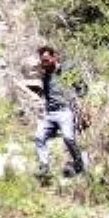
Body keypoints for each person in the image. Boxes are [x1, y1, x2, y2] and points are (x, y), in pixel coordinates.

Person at [33, 45, 86, 180]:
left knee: (68, 138)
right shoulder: (44, 75)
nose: (44, 63)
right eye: (42, 61)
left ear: (53, 57)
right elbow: (43, 93)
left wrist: (79, 102)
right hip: (50, 113)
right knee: (39, 137)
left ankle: (79, 163)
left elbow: (82, 87)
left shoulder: (66, 70)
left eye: (46, 60)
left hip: (65, 110)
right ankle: (44, 167)